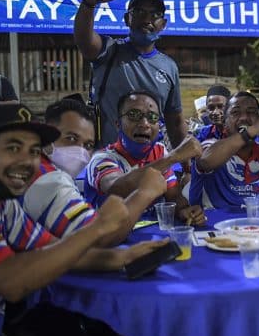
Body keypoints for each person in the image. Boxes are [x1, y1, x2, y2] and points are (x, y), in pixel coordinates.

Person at [0, 103, 135, 336]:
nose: (27, 161)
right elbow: (9, 282)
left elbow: (56, 249)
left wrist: (125, 257)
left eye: (33, 151)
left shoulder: (3, 207)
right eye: (13, 148)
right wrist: (98, 228)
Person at [22, 96, 168, 246]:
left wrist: (122, 258)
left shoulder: (53, 174)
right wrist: (144, 193)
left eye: (88, 145)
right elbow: (99, 238)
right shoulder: (49, 182)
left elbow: (59, 249)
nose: (79, 151)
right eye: (71, 138)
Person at [74, 0, 186, 147]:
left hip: (152, 163)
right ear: (127, 19)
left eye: (155, 15)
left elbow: (175, 122)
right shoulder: (109, 51)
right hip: (108, 159)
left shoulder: (169, 67)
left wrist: (185, 168)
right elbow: (84, 39)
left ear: (163, 24)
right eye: (140, 12)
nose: (147, 19)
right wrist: (88, 3)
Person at [85, 90, 205, 225]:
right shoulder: (102, 158)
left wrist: (184, 211)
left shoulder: (159, 152)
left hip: (151, 235)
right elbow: (116, 188)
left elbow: (174, 196)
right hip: (110, 239)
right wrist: (174, 157)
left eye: (152, 117)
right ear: (118, 124)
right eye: (134, 115)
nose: (144, 123)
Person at [191, 92, 259, 208]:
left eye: (251, 112)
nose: (244, 117)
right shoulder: (210, 145)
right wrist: (250, 131)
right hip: (213, 224)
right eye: (235, 112)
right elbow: (205, 161)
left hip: (254, 224)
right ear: (224, 122)